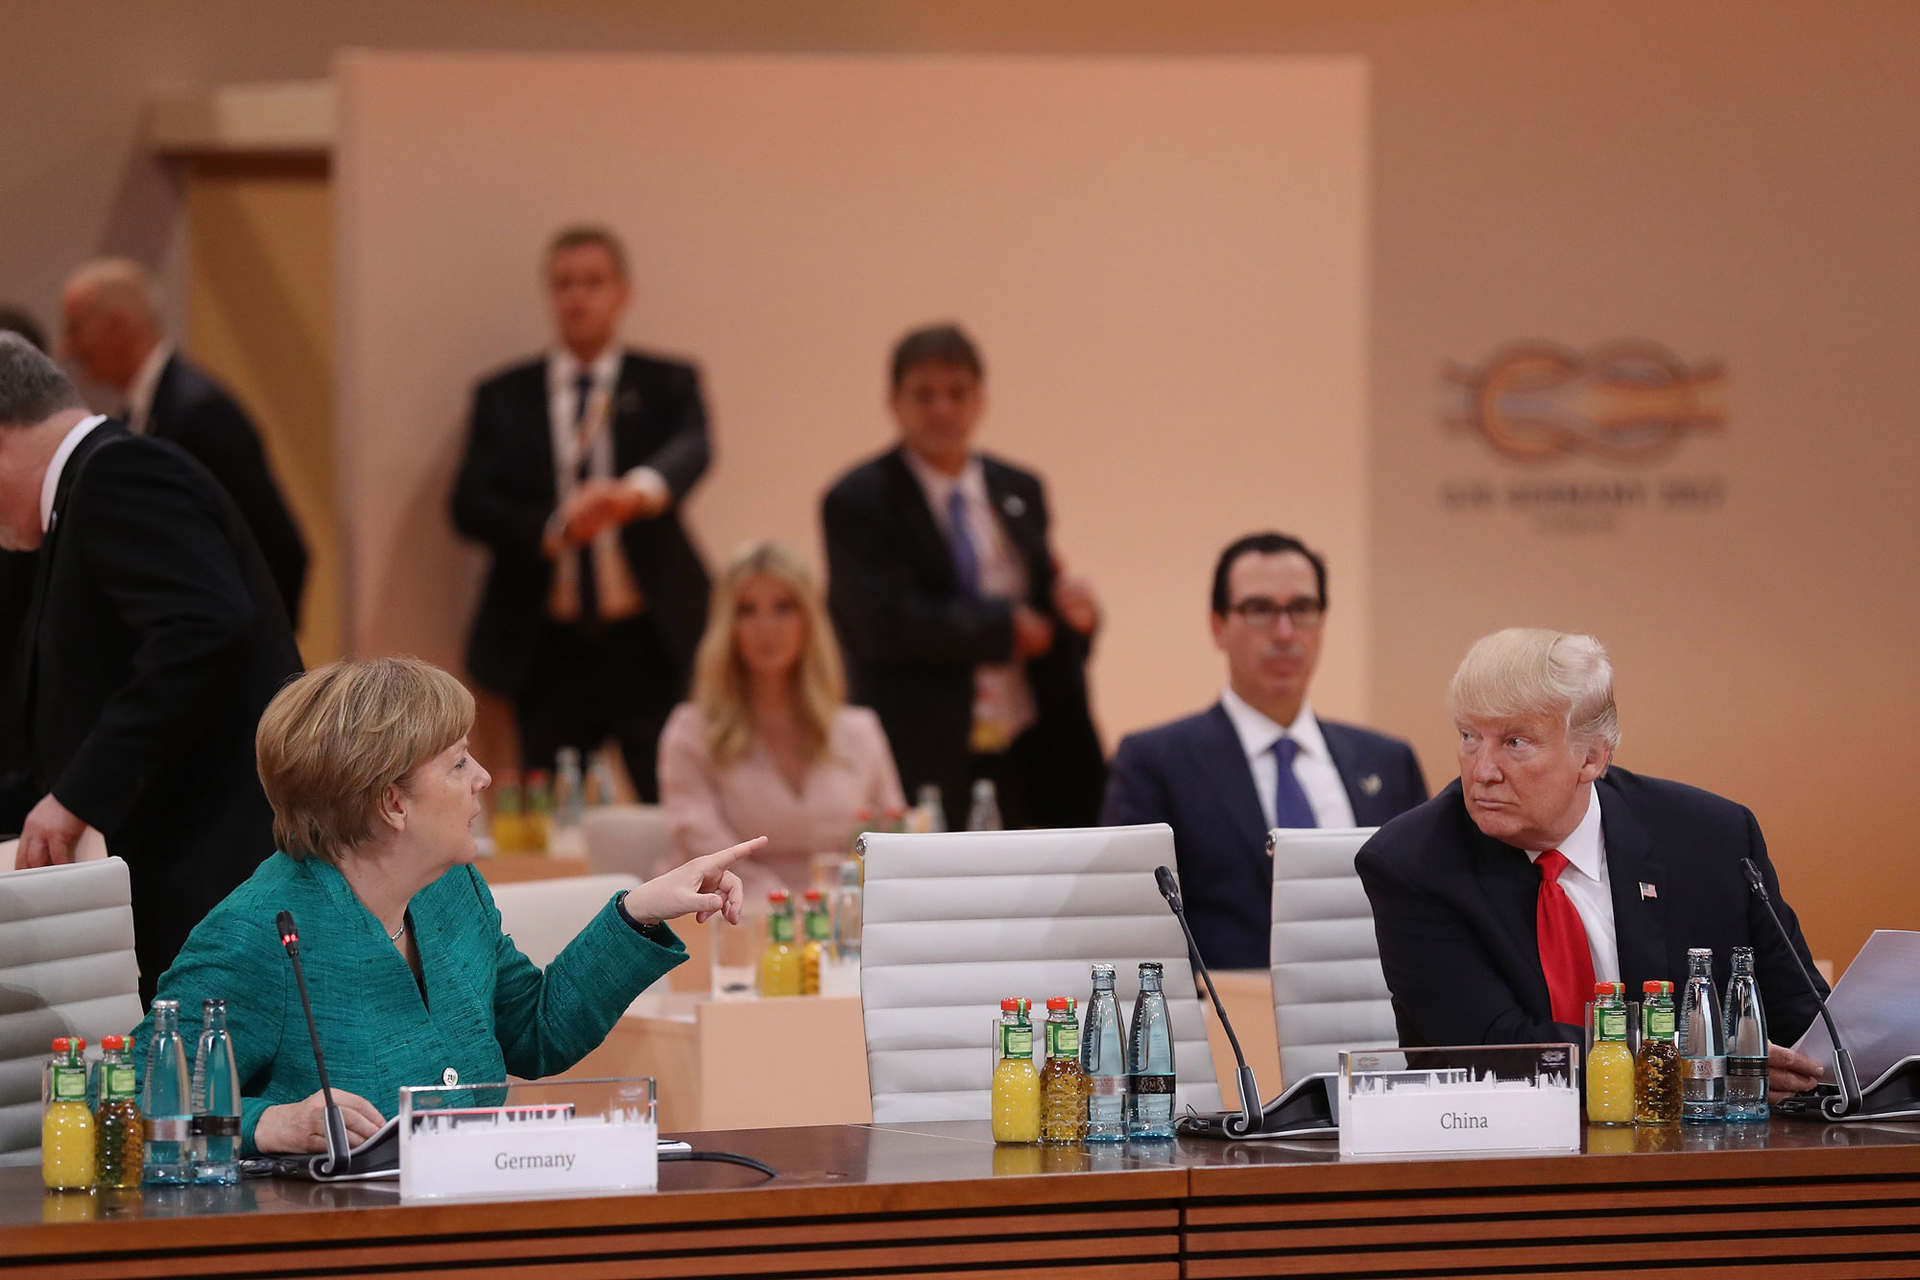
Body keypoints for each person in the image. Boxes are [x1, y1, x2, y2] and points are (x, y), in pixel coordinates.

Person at [133, 657, 762, 1154]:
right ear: (393, 804)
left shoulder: (451, 891)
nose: (484, 776)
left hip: (478, 1214)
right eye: (459, 762)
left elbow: (535, 1032)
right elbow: (134, 1098)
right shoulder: (254, 933)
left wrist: (639, 912)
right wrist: (268, 1124)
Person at [1356, 627, 1827, 1099]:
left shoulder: (1712, 838)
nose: (1483, 771)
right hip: (1500, 1135)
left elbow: (1806, 1024)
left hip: (1705, 1138)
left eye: (1515, 742)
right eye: (1469, 737)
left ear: (1592, 758)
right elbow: (1500, 1052)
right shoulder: (1413, 865)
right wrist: (1692, 1066)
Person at [0, 334, 302, 1001]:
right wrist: (55, 794)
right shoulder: (89, 487)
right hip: (188, 870)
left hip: (215, 875)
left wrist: (75, 798)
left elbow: (205, 630)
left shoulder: (119, 472)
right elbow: (86, 710)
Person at [452, 226, 711, 801]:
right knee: (549, 810)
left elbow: (693, 450)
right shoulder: (504, 395)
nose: (578, 297)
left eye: (593, 283)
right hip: (547, 645)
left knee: (672, 800)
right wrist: (553, 529)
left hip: (648, 636)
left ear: (623, 293)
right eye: (564, 284)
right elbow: (469, 504)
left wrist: (631, 495)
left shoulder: (667, 381)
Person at [822, 323, 1104, 829]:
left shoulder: (1020, 488)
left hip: (1026, 740)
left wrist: (1077, 617)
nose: (942, 409)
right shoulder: (858, 500)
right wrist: (1003, 628)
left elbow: (1043, 606)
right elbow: (879, 622)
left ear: (980, 400)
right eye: (924, 395)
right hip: (922, 742)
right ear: (894, 402)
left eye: (957, 393)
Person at [1102, 532, 1427, 970]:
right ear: (1218, 626)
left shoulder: (1388, 761)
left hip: (1377, 1006)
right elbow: (1137, 927)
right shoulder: (1156, 761)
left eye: (1303, 608)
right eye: (1259, 610)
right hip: (1229, 1008)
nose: (1285, 632)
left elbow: (1427, 908)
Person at [59, 259, 309, 628]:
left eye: (75, 328)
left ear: (117, 326)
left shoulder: (198, 413)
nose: (67, 348)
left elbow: (278, 546)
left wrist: (255, 648)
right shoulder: (139, 412)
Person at [658, 542, 905, 897]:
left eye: (783, 607)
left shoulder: (860, 730)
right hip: (732, 911)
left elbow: (894, 842)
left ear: (809, 620)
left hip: (842, 914)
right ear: (728, 625)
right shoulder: (692, 731)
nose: (766, 626)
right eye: (747, 610)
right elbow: (703, 850)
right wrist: (789, 910)